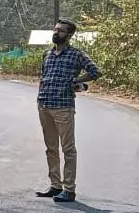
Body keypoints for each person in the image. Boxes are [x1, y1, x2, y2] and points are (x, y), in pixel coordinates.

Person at [33, 19, 101, 203]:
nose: (57, 33)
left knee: (68, 148)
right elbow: (43, 77)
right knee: (51, 148)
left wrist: (76, 81)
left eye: (61, 31)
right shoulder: (48, 55)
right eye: (55, 29)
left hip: (63, 106)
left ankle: (69, 189)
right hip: (45, 104)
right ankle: (55, 185)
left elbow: (95, 72)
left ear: (69, 35)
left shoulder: (76, 55)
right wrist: (40, 98)